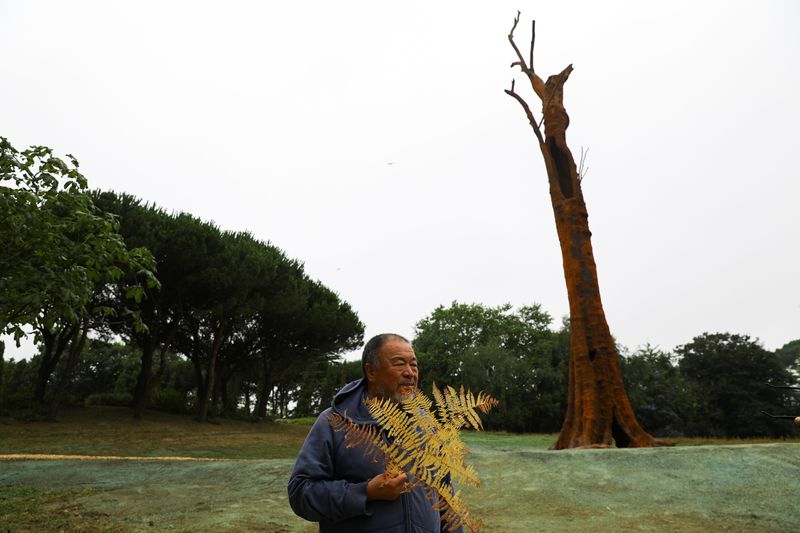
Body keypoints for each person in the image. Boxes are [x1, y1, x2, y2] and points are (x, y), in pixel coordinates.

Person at [288, 333, 459, 532]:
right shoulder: (333, 422)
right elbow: (301, 494)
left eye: (414, 364)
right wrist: (365, 492)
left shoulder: (427, 424)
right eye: (399, 364)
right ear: (371, 371)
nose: (410, 372)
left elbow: (445, 494)